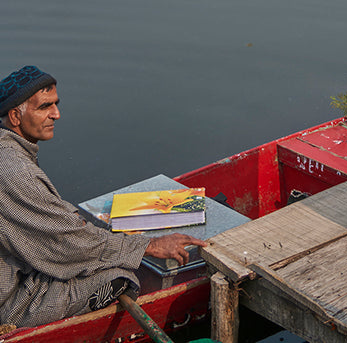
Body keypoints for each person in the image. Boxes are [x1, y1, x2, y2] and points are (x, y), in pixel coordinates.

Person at [0, 66, 204, 329]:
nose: (57, 114)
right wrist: (147, 246)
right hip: (9, 301)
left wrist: (71, 220)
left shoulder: (9, 152)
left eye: (56, 105)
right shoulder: (15, 171)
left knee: (94, 243)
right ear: (16, 116)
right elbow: (68, 245)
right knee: (120, 275)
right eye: (45, 107)